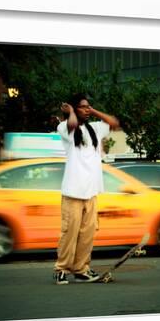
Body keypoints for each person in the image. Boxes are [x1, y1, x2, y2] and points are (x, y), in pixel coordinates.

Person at [53, 93, 120, 285]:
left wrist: (93, 110)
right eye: (83, 107)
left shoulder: (95, 129)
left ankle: (81, 269)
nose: (87, 110)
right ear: (73, 108)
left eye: (88, 107)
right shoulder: (64, 127)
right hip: (73, 192)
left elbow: (113, 122)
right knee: (70, 233)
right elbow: (72, 124)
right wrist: (72, 112)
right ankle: (61, 269)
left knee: (87, 234)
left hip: (91, 192)